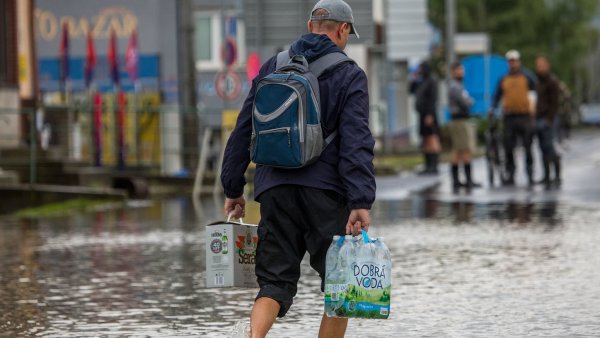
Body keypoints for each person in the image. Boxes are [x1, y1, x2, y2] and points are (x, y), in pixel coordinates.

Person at [220, 1, 376, 337]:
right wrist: (360, 201)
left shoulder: (272, 67)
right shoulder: (349, 74)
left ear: (310, 25)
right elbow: (356, 143)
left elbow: (243, 130)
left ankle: (252, 337)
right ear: (343, 29)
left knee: (274, 282)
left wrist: (233, 188)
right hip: (326, 193)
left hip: (274, 190)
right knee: (341, 286)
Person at [491, 50, 536, 186]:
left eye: (515, 61)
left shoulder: (527, 77)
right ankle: (511, 173)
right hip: (509, 116)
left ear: (519, 61)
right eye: (510, 61)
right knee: (508, 146)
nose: (513, 63)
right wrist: (493, 108)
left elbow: (535, 93)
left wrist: (534, 109)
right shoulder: (503, 78)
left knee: (528, 146)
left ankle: (530, 173)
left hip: (525, 116)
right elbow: (496, 96)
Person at [448, 61, 480, 191]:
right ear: (453, 71)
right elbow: (465, 102)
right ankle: (467, 180)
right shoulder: (455, 86)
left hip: (461, 120)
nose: (461, 72)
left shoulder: (459, 85)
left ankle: (458, 180)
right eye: (458, 70)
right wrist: (470, 101)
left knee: (459, 149)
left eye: (462, 70)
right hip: (459, 120)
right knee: (464, 149)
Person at [534, 55, 562, 187]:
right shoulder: (538, 82)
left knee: (550, 147)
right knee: (542, 148)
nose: (539, 68)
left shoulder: (552, 81)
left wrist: (549, 119)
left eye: (542, 65)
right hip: (538, 118)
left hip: (549, 118)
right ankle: (546, 175)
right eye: (538, 65)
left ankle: (556, 175)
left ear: (547, 65)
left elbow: (555, 103)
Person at [410, 61, 441, 175]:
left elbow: (433, 99)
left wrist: (430, 115)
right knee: (425, 139)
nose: (420, 71)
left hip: (429, 114)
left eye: (421, 69)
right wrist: (414, 78)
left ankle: (434, 165)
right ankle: (428, 165)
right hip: (422, 114)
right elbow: (411, 90)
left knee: (432, 138)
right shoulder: (421, 81)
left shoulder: (431, 81)